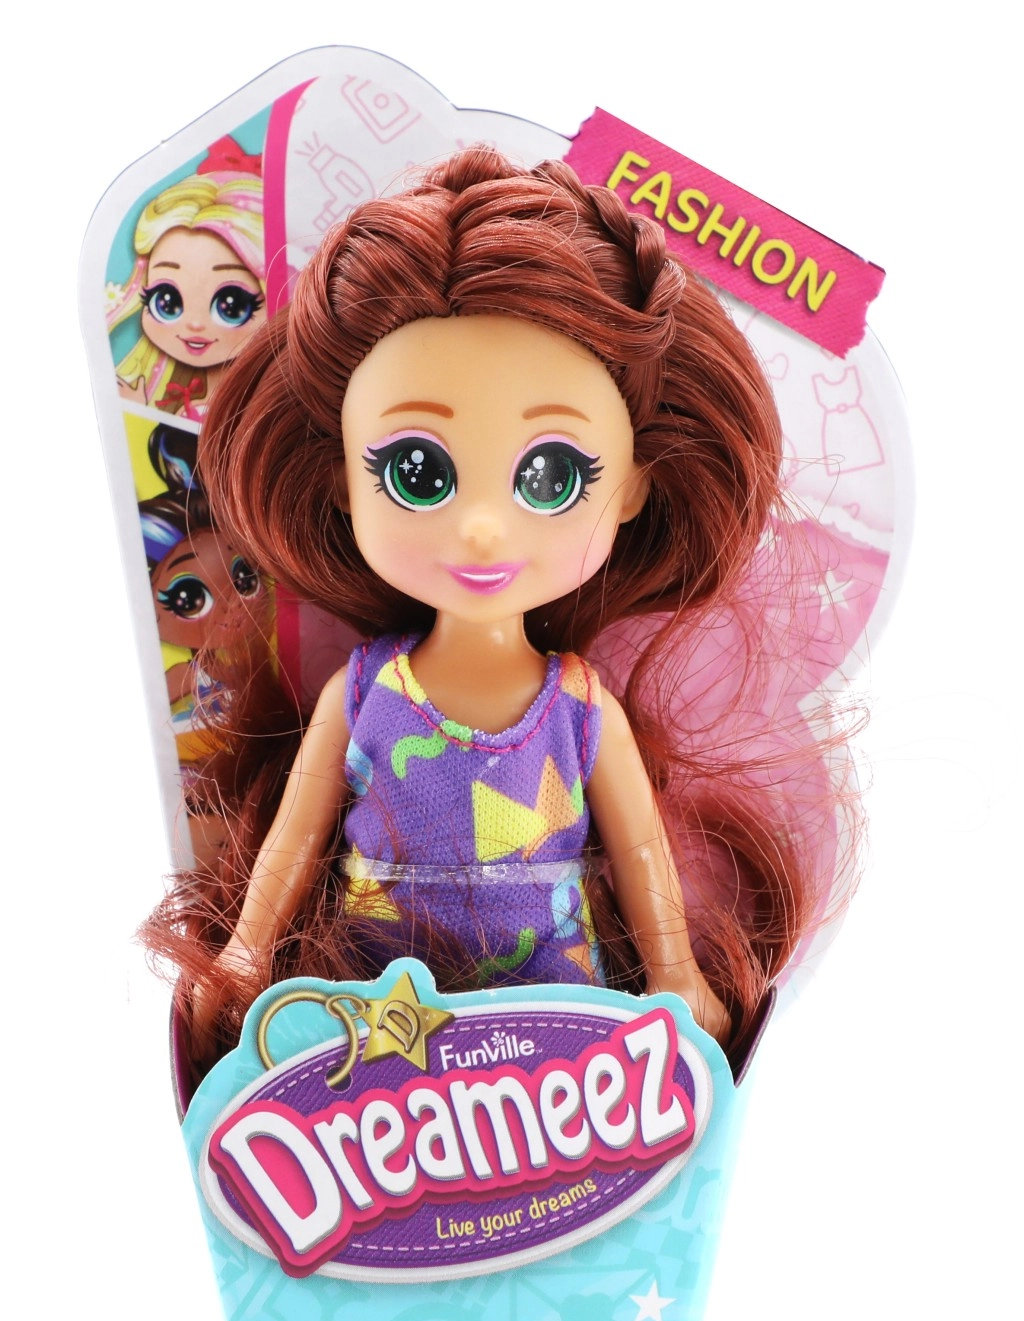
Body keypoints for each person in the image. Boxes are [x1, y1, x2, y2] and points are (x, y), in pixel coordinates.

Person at [149, 147, 833, 1066]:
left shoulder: (579, 707)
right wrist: (244, 950)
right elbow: (293, 845)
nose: (480, 527)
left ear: (633, 485)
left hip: (552, 1006)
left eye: (550, 475)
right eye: (418, 471)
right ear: (343, 479)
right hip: (374, 997)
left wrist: (676, 972)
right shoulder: (364, 693)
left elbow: (641, 854)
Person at [107, 137, 264, 418]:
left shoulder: (261, 405)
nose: (194, 325)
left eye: (232, 306)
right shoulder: (174, 395)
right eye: (166, 301)